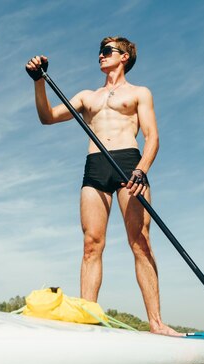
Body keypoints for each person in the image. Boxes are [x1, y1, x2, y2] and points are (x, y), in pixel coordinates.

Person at [25, 36, 182, 336]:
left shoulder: (139, 93)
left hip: (128, 164)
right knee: (91, 245)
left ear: (124, 57)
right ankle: (87, 318)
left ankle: (157, 323)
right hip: (95, 166)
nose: (100, 55)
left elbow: (152, 137)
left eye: (107, 51)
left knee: (140, 241)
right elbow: (47, 117)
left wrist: (141, 170)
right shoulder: (87, 96)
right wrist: (38, 82)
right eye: (99, 50)